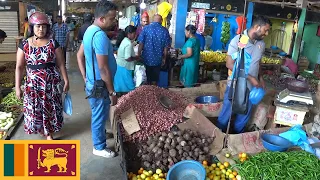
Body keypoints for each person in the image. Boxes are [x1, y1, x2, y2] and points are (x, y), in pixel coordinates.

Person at [15, 12, 69, 140]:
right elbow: (19, 67)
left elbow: (61, 64)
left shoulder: (53, 43)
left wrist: (66, 80)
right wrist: (17, 87)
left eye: (44, 26)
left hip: (50, 84)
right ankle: (41, 129)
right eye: (38, 26)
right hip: (32, 86)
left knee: (50, 107)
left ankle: (49, 132)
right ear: (32, 27)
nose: (41, 29)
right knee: (35, 108)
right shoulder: (25, 44)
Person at [76, 0, 118, 158]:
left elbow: (79, 56)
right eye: (112, 18)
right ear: (102, 19)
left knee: (98, 113)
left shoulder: (89, 31)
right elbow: (103, 68)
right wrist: (112, 91)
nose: (113, 22)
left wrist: (85, 76)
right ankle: (99, 147)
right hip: (100, 86)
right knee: (99, 114)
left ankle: (100, 134)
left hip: (92, 83)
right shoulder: (99, 36)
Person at [217, 16, 271, 134]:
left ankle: (237, 136)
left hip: (252, 88)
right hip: (236, 85)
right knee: (227, 111)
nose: (266, 33)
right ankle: (219, 135)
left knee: (245, 114)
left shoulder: (261, 44)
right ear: (257, 27)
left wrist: (260, 78)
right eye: (265, 30)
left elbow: (258, 63)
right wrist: (250, 77)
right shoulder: (239, 41)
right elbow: (230, 64)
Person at [138, 14, 171, 85]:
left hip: (146, 58)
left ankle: (148, 91)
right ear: (161, 21)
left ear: (152, 20)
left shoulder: (146, 29)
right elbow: (166, 47)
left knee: (147, 77)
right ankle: (154, 91)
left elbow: (141, 43)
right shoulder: (164, 31)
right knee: (155, 79)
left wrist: (138, 54)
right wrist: (164, 58)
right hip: (158, 59)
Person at [114, 25, 139, 93]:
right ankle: (130, 97)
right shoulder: (128, 43)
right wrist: (136, 57)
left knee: (120, 84)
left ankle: (120, 97)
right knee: (129, 85)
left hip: (120, 65)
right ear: (129, 33)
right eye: (134, 33)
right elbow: (127, 58)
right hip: (125, 66)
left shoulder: (125, 40)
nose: (135, 35)